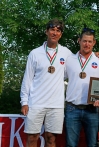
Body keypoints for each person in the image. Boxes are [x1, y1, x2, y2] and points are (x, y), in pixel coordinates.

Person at [20, 19, 72, 147]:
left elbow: (78, 66)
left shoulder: (67, 53)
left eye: (58, 30)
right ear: (47, 32)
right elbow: (27, 78)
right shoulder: (35, 53)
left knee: (51, 139)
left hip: (56, 104)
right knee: (32, 138)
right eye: (52, 30)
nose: (55, 33)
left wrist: (97, 55)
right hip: (36, 103)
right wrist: (24, 102)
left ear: (61, 34)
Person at [65, 27, 99, 147]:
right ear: (79, 41)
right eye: (84, 41)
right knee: (71, 145)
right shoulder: (69, 59)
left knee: (92, 145)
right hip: (72, 108)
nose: (87, 44)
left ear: (94, 43)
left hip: (92, 109)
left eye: (90, 41)